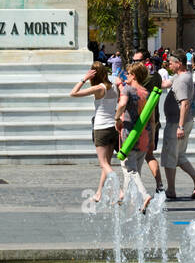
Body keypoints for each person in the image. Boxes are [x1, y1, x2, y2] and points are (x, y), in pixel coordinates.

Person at [159, 56, 195, 200]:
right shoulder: (181, 77)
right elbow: (164, 84)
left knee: (170, 156)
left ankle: (171, 190)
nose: (168, 65)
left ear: (178, 63)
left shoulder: (181, 80)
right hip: (183, 122)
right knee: (179, 155)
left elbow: (185, 103)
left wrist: (179, 126)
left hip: (177, 124)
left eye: (171, 63)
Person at [70, 63, 118, 204]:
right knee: (107, 163)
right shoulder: (114, 86)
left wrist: (84, 79)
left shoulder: (98, 88)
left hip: (101, 128)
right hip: (112, 127)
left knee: (103, 164)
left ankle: (119, 189)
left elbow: (73, 93)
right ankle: (99, 193)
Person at [116, 63, 158, 212]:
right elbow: (152, 119)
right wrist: (152, 139)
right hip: (145, 135)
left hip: (130, 135)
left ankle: (145, 195)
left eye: (128, 73)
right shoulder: (147, 93)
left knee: (130, 170)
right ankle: (128, 200)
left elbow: (122, 104)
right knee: (135, 171)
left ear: (133, 75)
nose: (126, 76)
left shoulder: (128, 89)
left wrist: (117, 119)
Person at [130, 50, 164, 191]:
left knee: (132, 157)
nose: (134, 64)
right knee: (148, 155)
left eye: (137, 61)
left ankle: (137, 190)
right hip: (152, 120)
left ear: (146, 61)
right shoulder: (156, 75)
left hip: (141, 122)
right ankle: (159, 185)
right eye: (133, 61)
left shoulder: (147, 78)